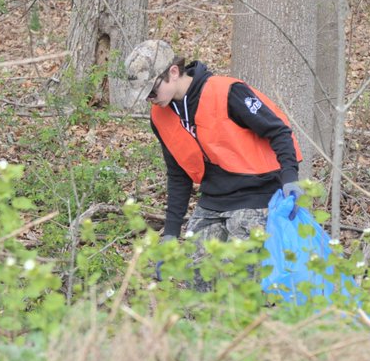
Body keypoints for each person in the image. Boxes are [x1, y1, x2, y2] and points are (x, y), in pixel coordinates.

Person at [124, 39, 303, 291]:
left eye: (152, 91)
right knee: (199, 281)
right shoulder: (160, 117)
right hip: (212, 201)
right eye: (144, 97)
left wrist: (289, 178)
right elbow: (178, 175)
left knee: (236, 282)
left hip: (256, 196)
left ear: (173, 72)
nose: (150, 100)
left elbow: (279, 132)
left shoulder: (227, 92)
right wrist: (170, 235)